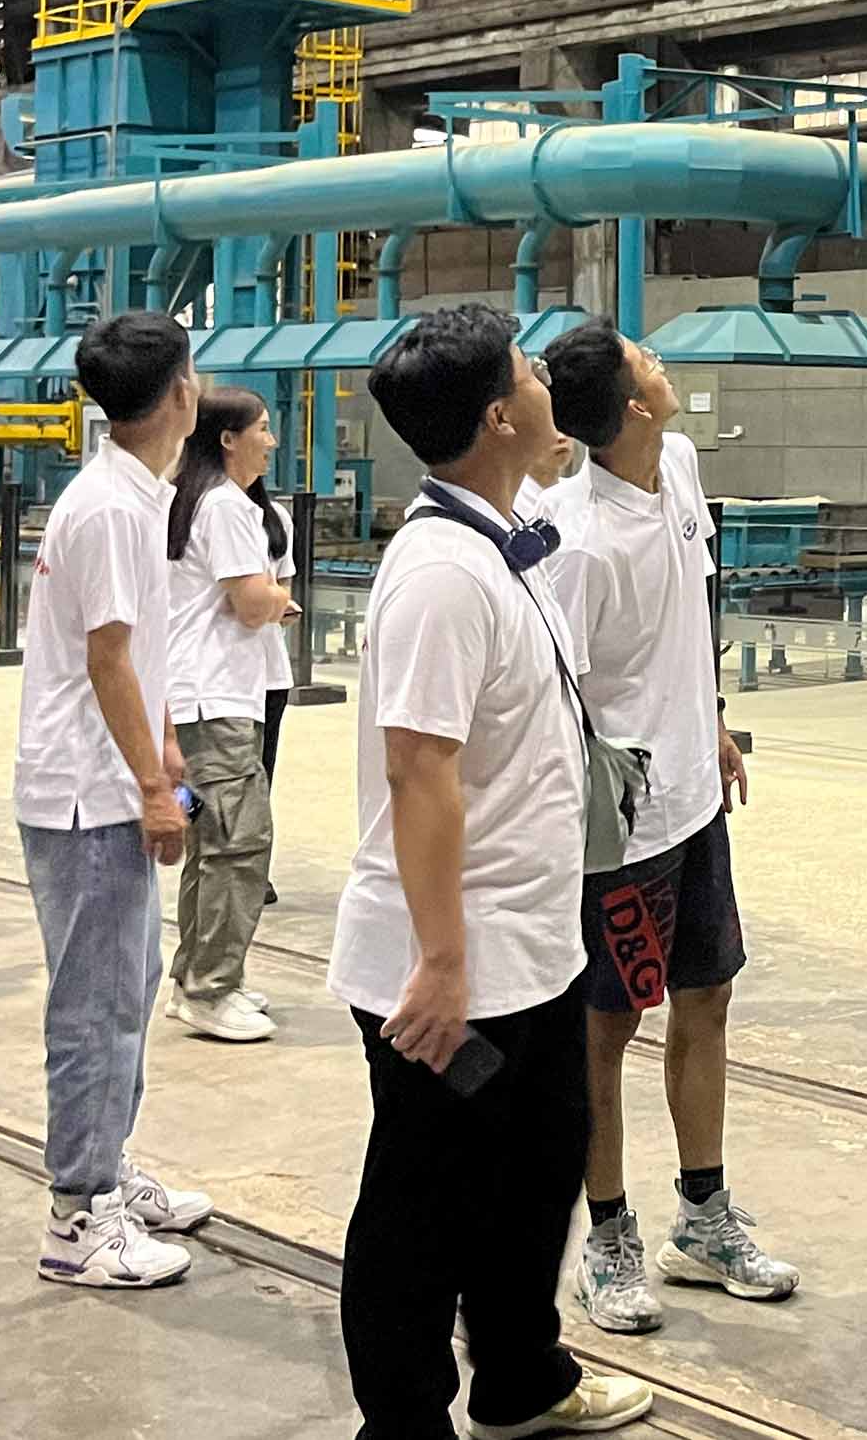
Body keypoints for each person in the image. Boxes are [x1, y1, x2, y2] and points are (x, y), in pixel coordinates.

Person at [331, 305, 650, 1439]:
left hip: (529, 949)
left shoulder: (502, 541)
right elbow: (419, 770)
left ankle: (522, 1381)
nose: (547, 379)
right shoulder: (439, 575)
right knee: (424, 1205)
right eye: (529, 370)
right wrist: (440, 963)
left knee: (537, 1172)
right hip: (450, 971)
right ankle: (403, 1425)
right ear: (498, 416)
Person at [540, 324, 793, 1335]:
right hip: (622, 825)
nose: (661, 361)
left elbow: (689, 614)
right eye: (646, 360)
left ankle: (704, 1219)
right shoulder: (575, 538)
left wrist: (712, 718)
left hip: (695, 801)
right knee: (604, 1030)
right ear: (632, 406)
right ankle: (607, 1238)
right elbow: (558, 697)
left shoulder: (679, 463)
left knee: (708, 998)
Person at [11, 310, 213, 1290]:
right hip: (87, 797)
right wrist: (152, 788)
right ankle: (78, 1215)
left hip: (102, 784)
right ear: (179, 392)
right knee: (95, 1007)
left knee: (129, 987)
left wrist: (164, 749)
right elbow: (107, 660)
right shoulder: (113, 508)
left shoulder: (130, 494)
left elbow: (134, 652)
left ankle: (105, 1167)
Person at [162, 387, 294, 1044]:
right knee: (240, 843)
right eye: (262, 429)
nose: (271, 441)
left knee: (211, 844)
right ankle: (211, 988)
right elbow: (250, 602)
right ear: (228, 439)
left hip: (198, 697)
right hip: (215, 701)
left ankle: (195, 976)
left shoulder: (195, 500)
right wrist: (276, 600)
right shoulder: (227, 506)